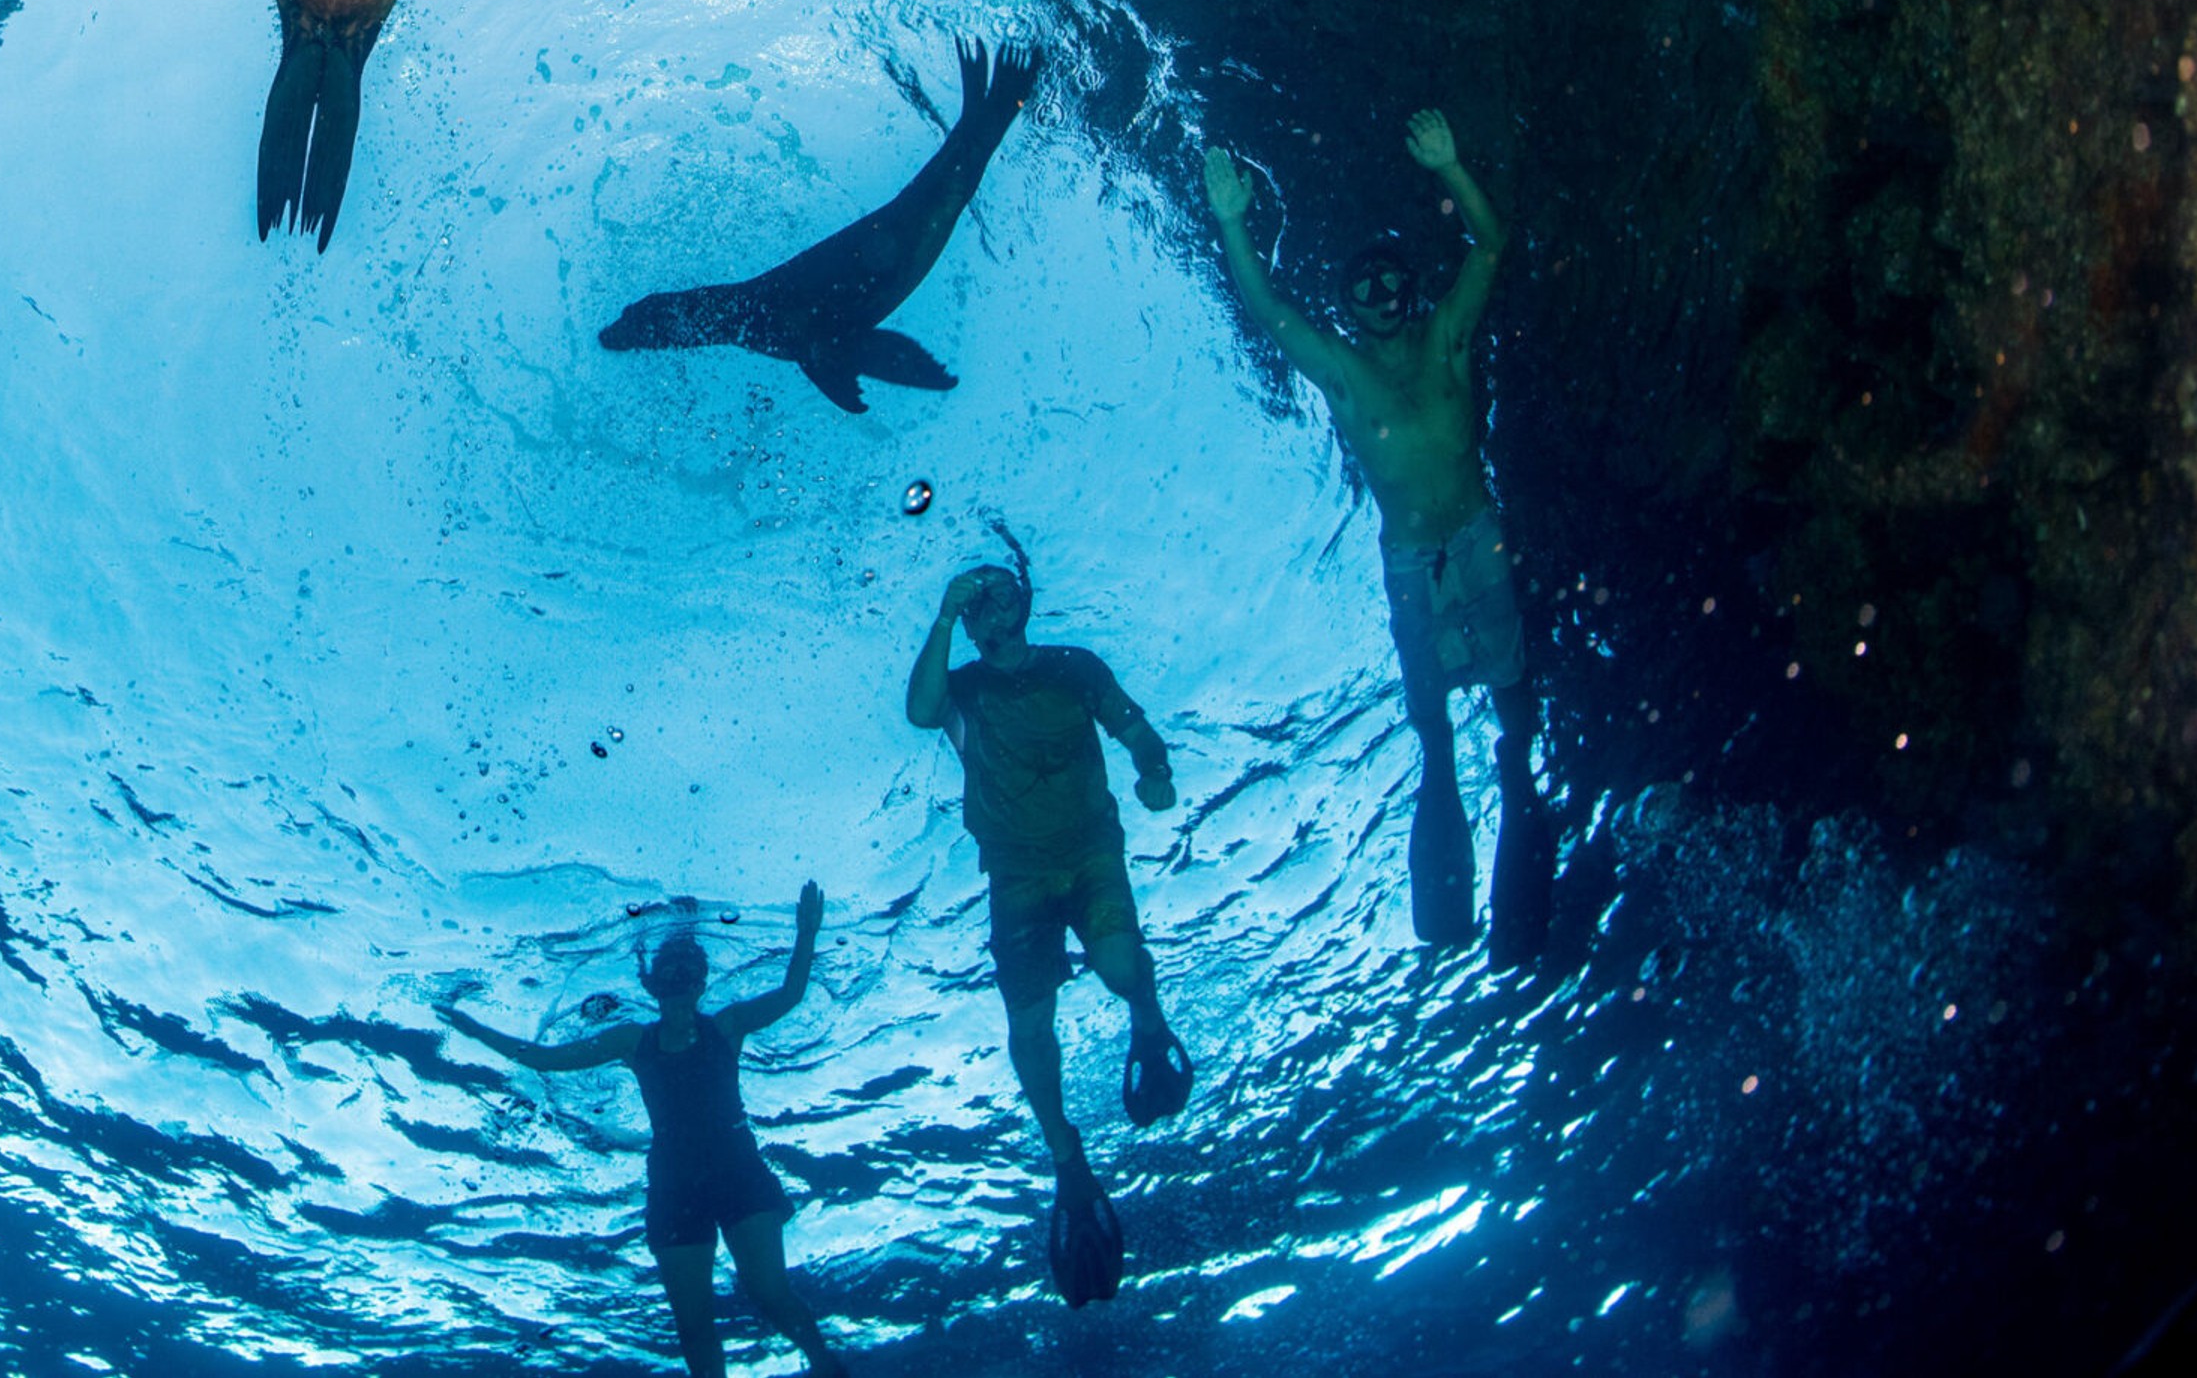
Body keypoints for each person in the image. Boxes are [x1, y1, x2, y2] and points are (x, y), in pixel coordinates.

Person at [1200, 108, 1548, 960]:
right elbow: (1270, 310)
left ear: (1410, 288)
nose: (1382, 300)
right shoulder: (1345, 376)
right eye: (1364, 292)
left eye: (1392, 283)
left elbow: (1492, 247)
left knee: (1511, 695)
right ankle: (1451, 788)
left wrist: (1451, 167)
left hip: (1477, 534)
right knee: (1431, 724)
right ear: (1350, 312)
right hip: (1411, 563)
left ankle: (1515, 770)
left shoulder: (1448, 342)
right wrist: (1233, 222)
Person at [900, 545, 1188, 1308]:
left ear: (1025, 597)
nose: (990, 603)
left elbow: (1132, 724)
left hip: (1092, 850)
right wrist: (938, 612)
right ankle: (1068, 1158)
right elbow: (920, 711)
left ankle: (1146, 1016)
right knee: (1030, 1024)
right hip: (1017, 875)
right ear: (967, 622)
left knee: (1122, 965)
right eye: (976, 599)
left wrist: (1154, 768)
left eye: (1000, 589)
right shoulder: (960, 687)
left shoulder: (1073, 665)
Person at [443, 887, 853, 1378]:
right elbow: (545, 1059)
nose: (679, 987)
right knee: (694, 1326)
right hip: (676, 1185)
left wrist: (806, 934)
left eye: (688, 976)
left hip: (739, 1172)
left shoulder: (729, 1025)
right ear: (654, 985)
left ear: (701, 982)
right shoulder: (633, 1041)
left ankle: (830, 1369)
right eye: (670, 977)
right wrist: (472, 1030)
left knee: (770, 1295)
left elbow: (790, 995)